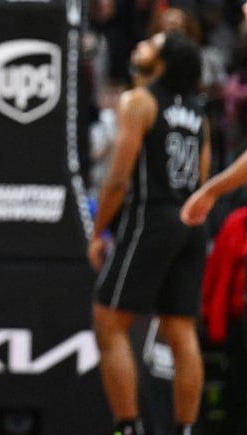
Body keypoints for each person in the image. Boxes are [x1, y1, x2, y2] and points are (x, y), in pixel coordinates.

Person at [89, 31, 209, 435]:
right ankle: (185, 430)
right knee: (181, 330)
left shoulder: (138, 101)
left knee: (109, 323)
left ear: (163, 61)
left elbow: (119, 177)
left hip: (152, 218)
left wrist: (97, 230)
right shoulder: (199, 112)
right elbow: (203, 178)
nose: (140, 45)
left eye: (151, 43)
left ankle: (128, 427)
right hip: (191, 221)